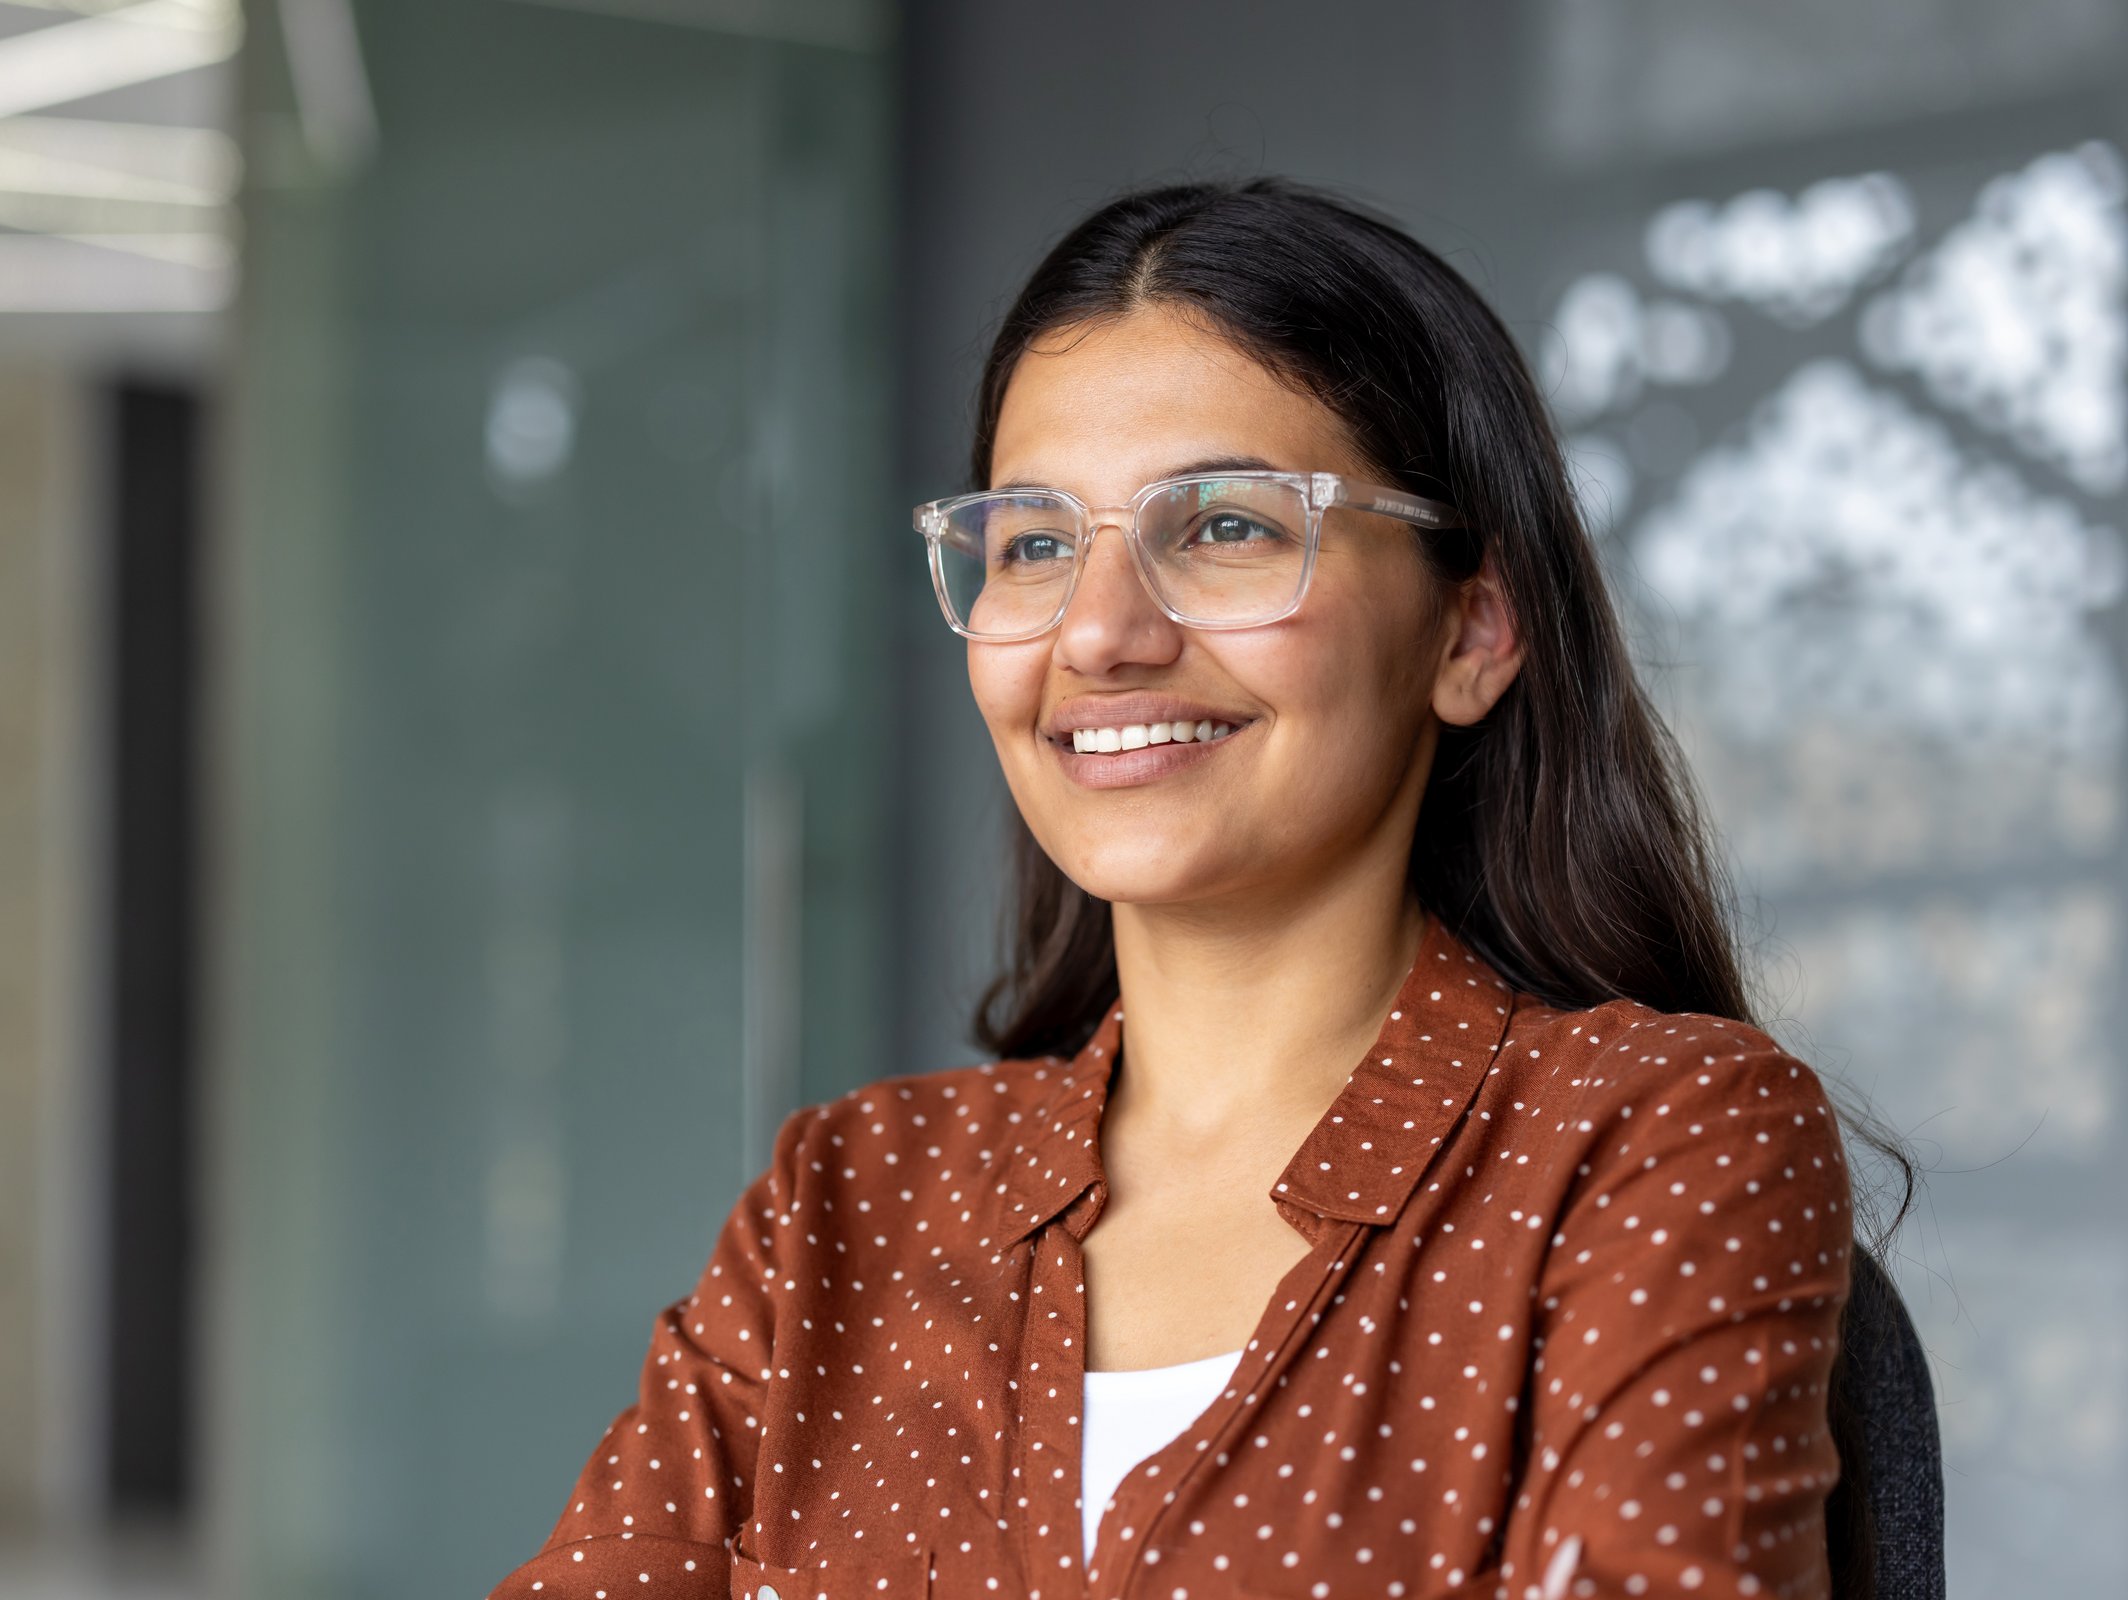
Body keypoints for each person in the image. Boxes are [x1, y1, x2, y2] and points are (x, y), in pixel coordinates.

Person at [491, 177, 1910, 1600]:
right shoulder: (842, 1209)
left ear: (1473, 629)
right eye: (1036, 544)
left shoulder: (1657, 1141)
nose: (1102, 632)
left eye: (1224, 526)